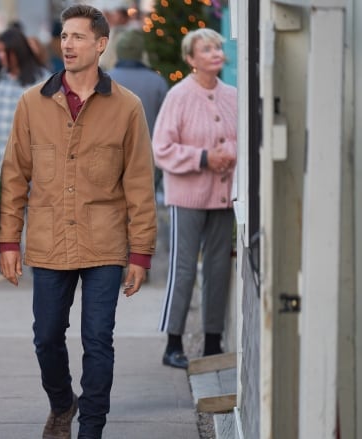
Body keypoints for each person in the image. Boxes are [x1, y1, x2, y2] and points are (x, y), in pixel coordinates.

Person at [0, 5, 157, 438]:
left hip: (105, 242)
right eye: (64, 36)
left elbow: (140, 183)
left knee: (97, 340)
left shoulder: (127, 107)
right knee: (46, 337)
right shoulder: (33, 103)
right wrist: (8, 241)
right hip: (49, 241)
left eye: (78, 37)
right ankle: (62, 403)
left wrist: (140, 252)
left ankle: (92, 427)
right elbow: (14, 175)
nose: (68, 44)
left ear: (101, 44)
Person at [153, 28, 237, 369]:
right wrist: (204, 158)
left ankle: (213, 343)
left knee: (218, 267)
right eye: (206, 49)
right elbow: (161, 148)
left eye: (217, 47)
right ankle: (173, 342)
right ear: (191, 59)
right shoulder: (179, 96)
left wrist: (228, 153)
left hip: (224, 195)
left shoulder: (233, 95)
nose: (215, 52)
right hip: (187, 195)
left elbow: (244, 139)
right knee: (184, 268)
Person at [106, 29, 169, 198]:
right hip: (147, 157)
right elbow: (165, 125)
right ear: (141, 52)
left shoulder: (103, 81)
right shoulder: (157, 82)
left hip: (109, 157)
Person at [0, 26, 51, 162]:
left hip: (26, 162)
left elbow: (49, 124)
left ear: (18, 52)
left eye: (5, 51)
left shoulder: (42, 79)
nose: (0, 55)